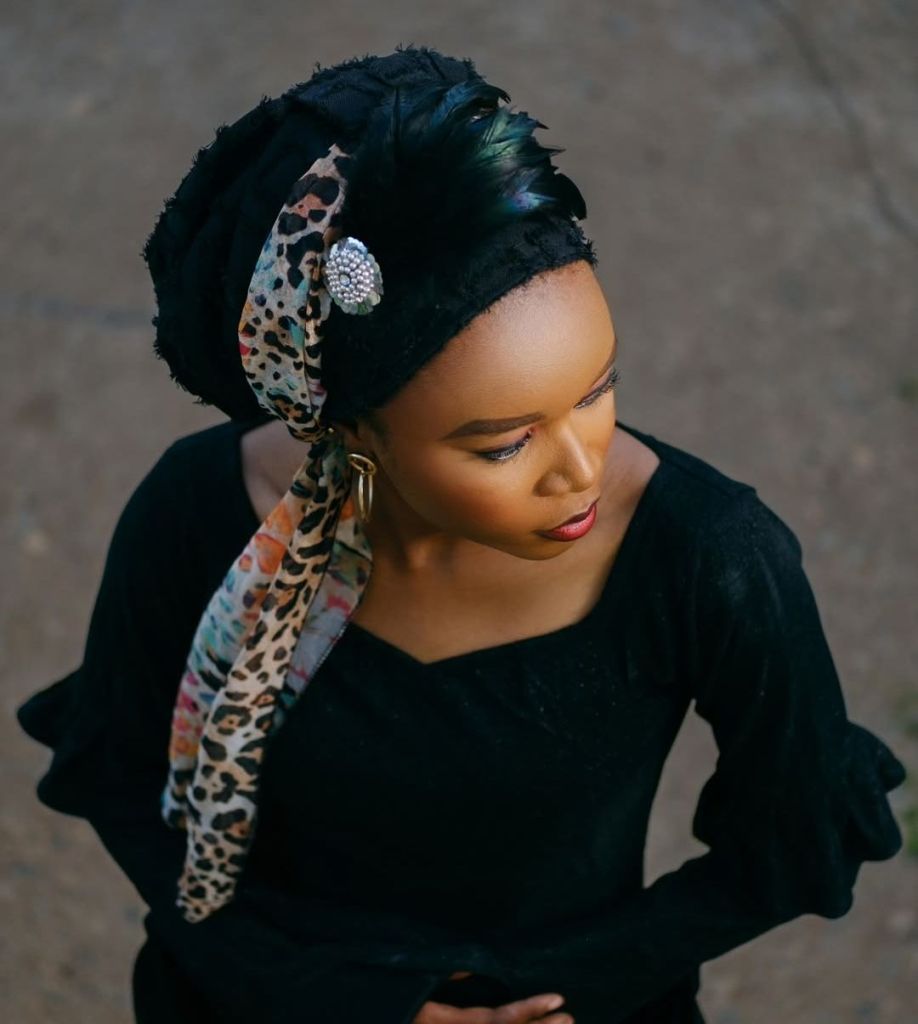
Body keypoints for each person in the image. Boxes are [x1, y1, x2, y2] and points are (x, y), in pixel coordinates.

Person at [16, 44, 907, 1024]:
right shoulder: (199, 512)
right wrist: (350, 1002)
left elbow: (792, 839)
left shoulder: (711, 556)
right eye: (504, 443)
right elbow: (129, 786)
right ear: (347, 428)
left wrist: (554, 994)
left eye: (598, 389)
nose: (581, 468)